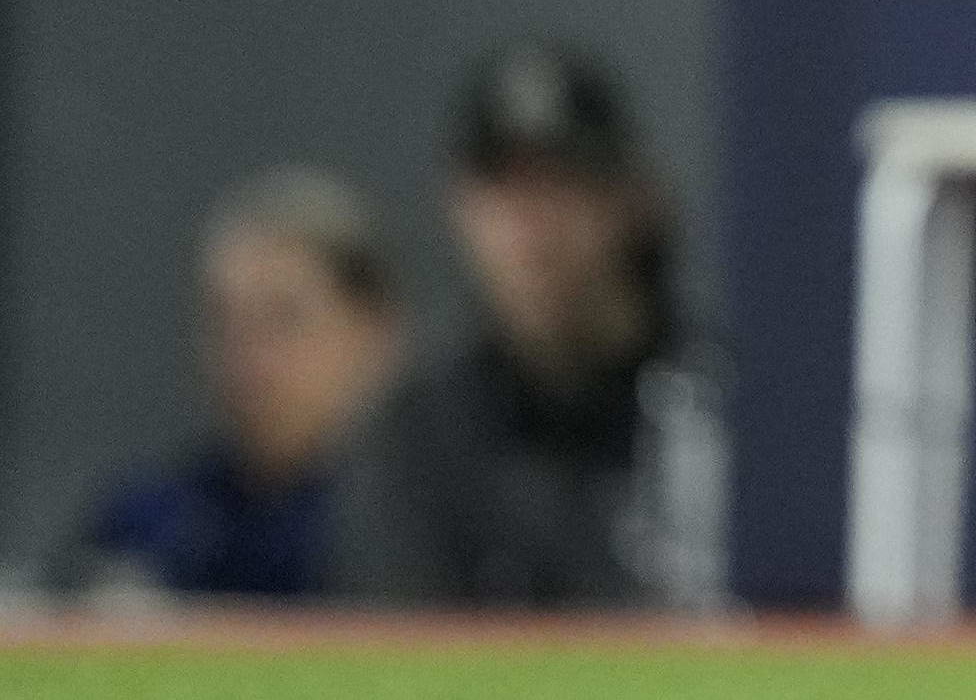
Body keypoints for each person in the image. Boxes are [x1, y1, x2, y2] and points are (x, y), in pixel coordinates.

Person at [328, 42, 721, 608]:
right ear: (459, 206)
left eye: (563, 182)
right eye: (503, 187)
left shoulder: (718, 400)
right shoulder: (418, 431)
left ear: (631, 199)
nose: (531, 225)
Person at [81, 169, 402, 599]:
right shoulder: (149, 526)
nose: (249, 355)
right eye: (224, 322)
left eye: (285, 319)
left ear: (373, 332)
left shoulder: (437, 531)